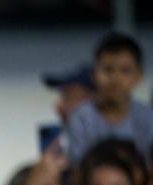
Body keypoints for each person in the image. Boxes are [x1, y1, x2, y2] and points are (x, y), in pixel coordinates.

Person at [65, 32, 153, 165]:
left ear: (139, 76)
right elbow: (77, 167)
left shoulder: (147, 117)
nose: (115, 79)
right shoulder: (82, 118)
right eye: (108, 70)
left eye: (125, 71)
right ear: (94, 74)